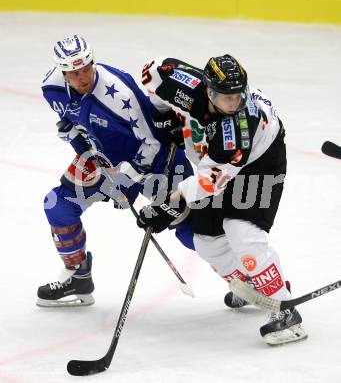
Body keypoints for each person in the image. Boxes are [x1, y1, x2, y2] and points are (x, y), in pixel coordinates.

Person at [136, 55, 307, 345]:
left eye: (239, 94)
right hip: (216, 163)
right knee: (207, 241)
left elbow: (208, 182)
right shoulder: (179, 81)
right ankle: (255, 285)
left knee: (243, 232)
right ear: (209, 90)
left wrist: (172, 203)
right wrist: (164, 116)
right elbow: (152, 72)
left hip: (260, 162)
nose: (234, 102)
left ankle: (285, 309)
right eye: (226, 97)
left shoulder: (239, 128)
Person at [37, 35, 194, 307]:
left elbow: (154, 141)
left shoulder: (119, 92)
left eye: (86, 67)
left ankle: (248, 280)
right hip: (103, 159)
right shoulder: (52, 88)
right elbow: (75, 124)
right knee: (58, 205)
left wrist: (126, 177)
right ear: (63, 73)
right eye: (74, 73)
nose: (82, 76)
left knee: (195, 230)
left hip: (154, 162)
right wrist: (72, 135)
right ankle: (78, 276)